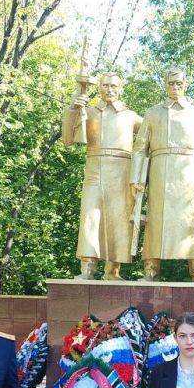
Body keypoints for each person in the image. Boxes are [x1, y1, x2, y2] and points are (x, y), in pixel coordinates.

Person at [130, 68, 194, 283]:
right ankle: (151, 268)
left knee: (193, 220)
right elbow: (140, 147)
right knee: (156, 219)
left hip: (188, 171)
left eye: (179, 83)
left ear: (186, 84)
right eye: (171, 83)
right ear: (165, 85)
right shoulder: (153, 112)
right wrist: (136, 178)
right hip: (160, 170)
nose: (175, 87)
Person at [61, 71, 143, 281]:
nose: (110, 89)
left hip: (122, 171)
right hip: (95, 169)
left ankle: (113, 271)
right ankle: (87, 268)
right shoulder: (88, 112)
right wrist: (73, 108)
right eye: (105, 85)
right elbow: (68, 139)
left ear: (121, 88)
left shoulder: (130, 116)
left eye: (114, 86)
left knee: (119, 219)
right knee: (90, 217)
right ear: (99, 88)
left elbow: (152, 135)